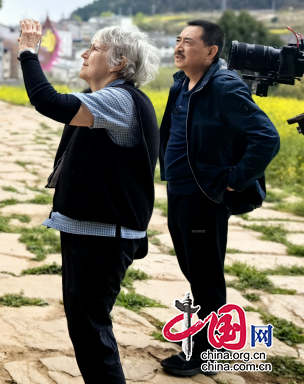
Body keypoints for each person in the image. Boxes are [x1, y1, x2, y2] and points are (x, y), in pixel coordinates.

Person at [18, 19, 161, 384]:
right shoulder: (110, 101)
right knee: (87, 329)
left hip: (103, 237)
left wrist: (29, 52)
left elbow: (47, 101)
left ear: (117, 62)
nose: (84, 53)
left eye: (93, 48)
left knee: (92, 333)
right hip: (96, 233)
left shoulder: (120, 99)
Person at [158, 20, 280, 377]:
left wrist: (233, 181)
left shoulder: (224, 87)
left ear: (211, 52)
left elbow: (266, 138)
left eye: (189, 42)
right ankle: (209, 335)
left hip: (205, 196)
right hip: (180, 191)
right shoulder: (182, 84)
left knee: (205, 273)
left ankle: (205, 353)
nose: (179, 47)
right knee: (192, 268)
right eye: (178, 40)